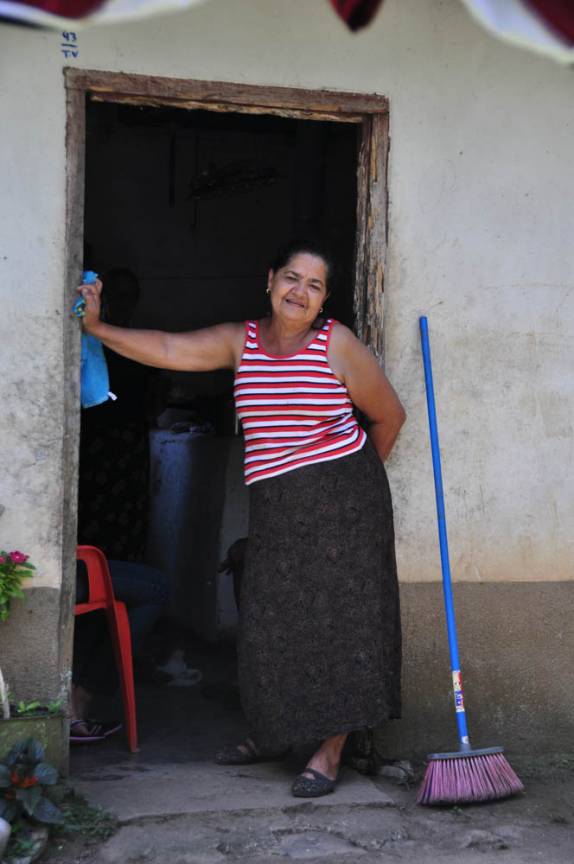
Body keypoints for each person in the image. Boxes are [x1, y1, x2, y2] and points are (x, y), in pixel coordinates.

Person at [77, 240, 406, 795]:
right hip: (277, 504)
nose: (299, 292)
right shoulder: (240, 340)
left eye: (315, 285)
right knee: (268, 623)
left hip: (344, 502)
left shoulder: (336, 343)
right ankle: (274, 734)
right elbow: (168, 347)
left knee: (344, 626)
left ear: (324, 300)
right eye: (291, 278)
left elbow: (388, 416)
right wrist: (98, 329)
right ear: (270, 278)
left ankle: (328, 755)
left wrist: (348, 495)